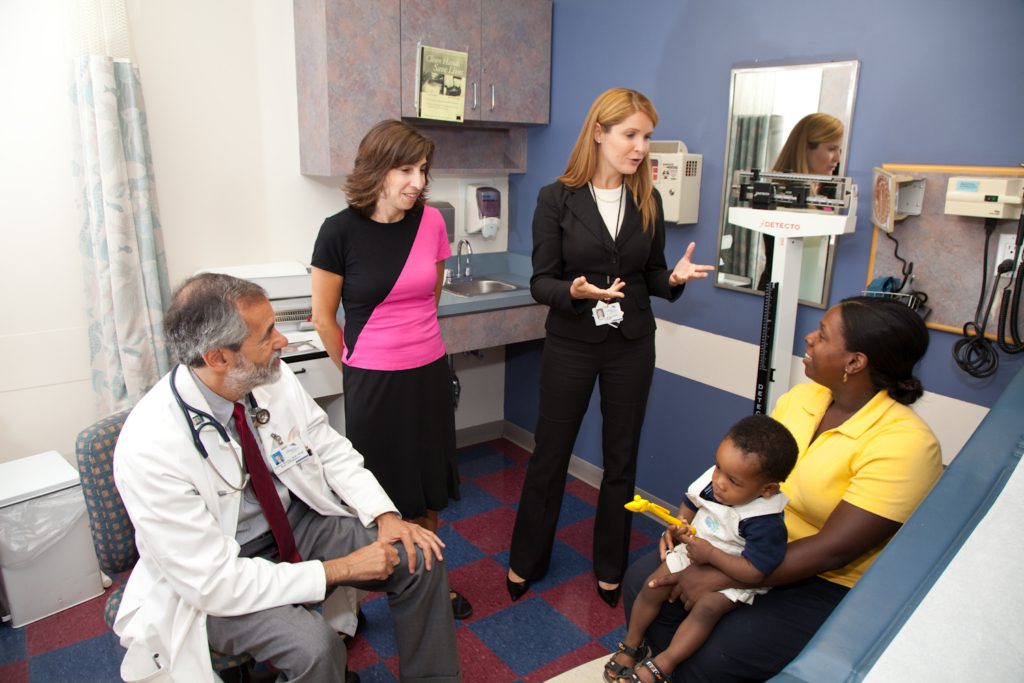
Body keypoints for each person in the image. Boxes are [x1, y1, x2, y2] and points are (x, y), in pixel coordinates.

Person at [112, 273, 460, 683]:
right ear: (217, 358)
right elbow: (214, 582)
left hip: (293, 525)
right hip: (217, 576)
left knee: (417, 555)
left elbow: (327, 446)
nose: (283, 341)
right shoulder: (150, 446)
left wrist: (385, 514)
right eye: (267, 334)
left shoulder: (270, 377)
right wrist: (341, 569)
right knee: (315, 648)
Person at [622, 295, 944, 681]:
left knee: (720, 656)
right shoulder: (802, 399)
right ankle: (664, 666)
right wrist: (690, 529)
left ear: (855, 362)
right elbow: (743, 475)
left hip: (822, 582)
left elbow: (834, 551)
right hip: (745, 544)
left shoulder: (905, 444)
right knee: (645, 581)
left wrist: (726, 574)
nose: (809, 338)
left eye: (822, 336)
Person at [506, 88, 715, 606]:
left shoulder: (649, 199)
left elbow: (651, 276)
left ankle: (609, 564)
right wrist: (573, 291)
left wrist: (676, 278)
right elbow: (541, 282)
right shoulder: (556, 198)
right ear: (599, 133)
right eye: (630, 135)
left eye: (646, 136)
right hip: (573, 341)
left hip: (631, 344)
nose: (641, 147)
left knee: (622, 460)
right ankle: (526, 558)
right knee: (550, 456)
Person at [310, 120, 471, 619]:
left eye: (422, 170)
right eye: (405, 170)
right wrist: (358, 369)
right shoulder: (338, 232)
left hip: (427, 375)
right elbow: (323, 318)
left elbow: (431, 295)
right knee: (375, 493)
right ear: (376, 170)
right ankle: (362, 589)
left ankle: (426, 586)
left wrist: (412, 347)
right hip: (373, 382)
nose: (417, 182)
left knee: (426, 492)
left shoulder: (432, 223)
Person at [605, 415, 798, 682]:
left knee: (708, 607)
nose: (718, 482)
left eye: (734, 482)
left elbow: (755, 572)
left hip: (735, 569)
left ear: (767, 489)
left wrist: (711, 556)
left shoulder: (766, 520)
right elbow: (691, 502)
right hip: (698, 549)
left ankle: (664, 664)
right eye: (718, 468)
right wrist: (681, 524)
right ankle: (632, 645)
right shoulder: (717, 479)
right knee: (654, 583)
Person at [756, 112, 844, 292]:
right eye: (831, 149)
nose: (837, 158)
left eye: (839, 150)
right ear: (806, 148)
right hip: (778, 293)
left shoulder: (825, 191)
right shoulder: (781, 194)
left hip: (811, 290)